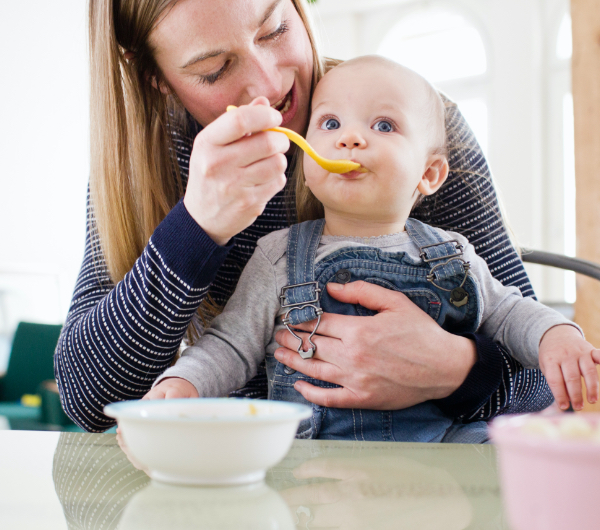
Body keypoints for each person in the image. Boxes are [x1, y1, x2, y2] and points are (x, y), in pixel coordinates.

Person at [55, 0, 567, 434]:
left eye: (275, 29)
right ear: (156, 79)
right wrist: (195, 229)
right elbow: (87, 399)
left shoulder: (413, 129)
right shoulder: (146, 165)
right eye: (214, 68)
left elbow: (545, 382)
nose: (268, 83)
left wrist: (458, 372)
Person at [145, 56, 599, 442]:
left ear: (430, 175)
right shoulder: (277, 256)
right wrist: (184, 383)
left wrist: (557, 337)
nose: (350, 138)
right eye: (330, 123)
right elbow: (230, 346)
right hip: (312, 466)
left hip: (443, 457)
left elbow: (512, 312)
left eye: (383, 125)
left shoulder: (453, 253)